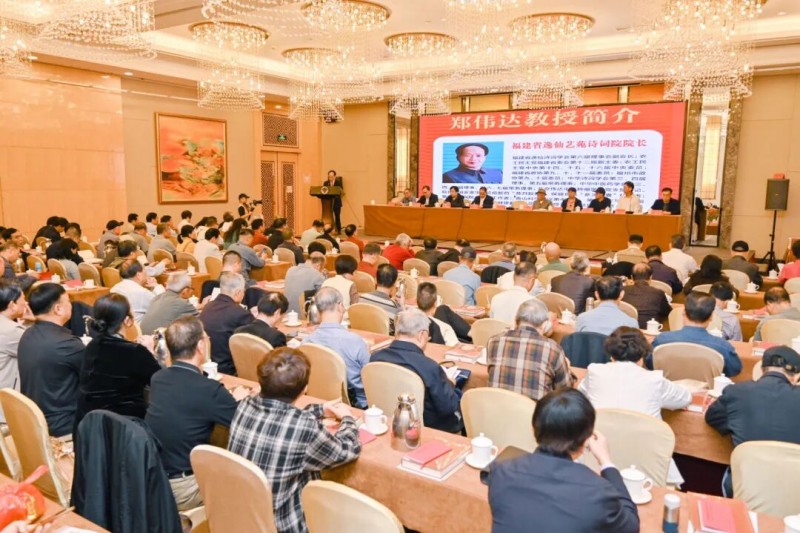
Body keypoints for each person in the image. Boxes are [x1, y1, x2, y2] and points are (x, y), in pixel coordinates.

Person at [228, 347, 360, 533]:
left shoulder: (244, 406)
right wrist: (348, 419)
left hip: (242, 518)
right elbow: (346, 451)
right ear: (305, 389)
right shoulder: (303, 426)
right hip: (283, 525)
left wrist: (320, 409)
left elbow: (280, 418)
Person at [488, 388, 639, 533]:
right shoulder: (598, 492)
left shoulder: (500, 472)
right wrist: (606, 462)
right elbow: (631, 525)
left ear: (533, 429)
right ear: (586, 439)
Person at [146, 316, 247, 511]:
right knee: (246, 481)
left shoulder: (158, 378)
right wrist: (240, 399)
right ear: (201, 345)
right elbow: (244, 422)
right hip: (184, 487)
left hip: (154, 475)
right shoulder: (208, 390)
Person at [705, 345, 800, 497]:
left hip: (746, 486)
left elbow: (712, 418)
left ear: (762, 370)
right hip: (794, 490)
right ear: (796, 376)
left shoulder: (736, 392)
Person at [75, 294, 160, 429]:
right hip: (124, 428)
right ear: (127, 320)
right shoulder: (134, 351)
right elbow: (160, 381)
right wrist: (151, 351)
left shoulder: (92, 345)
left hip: (87, 426)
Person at [372, 309, 463, 433]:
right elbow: (447, 408)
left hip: (385, 421)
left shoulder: (376, 358)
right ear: (422, 335)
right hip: (426, 429)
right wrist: (450, 384)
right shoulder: (429, 367)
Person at [18, 283, 84, 437]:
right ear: (58, 309)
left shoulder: (27, 335)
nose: (71, 306)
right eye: (68, 301)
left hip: (35, 419)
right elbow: (95, 378)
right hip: (64, 425)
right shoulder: (67, 345)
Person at [580, 327, 691, 418]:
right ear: (642, 355)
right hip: (645, 438)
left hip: (600, 435)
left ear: (611, 355)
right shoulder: (655, 379)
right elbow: (685, 398)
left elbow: (582, 392)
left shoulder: (595, 371)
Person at [487, 299, 573, 401]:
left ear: (515, 320)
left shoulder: (493, 341)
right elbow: (565, 390)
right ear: (545, 325)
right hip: (534, 410)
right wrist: (566, 367)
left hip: (496, 408)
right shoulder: (553, 349)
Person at [302, 288, 370, 407]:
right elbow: (370, 377)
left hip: (318, 401)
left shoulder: (306, 342)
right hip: (354, 404)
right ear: (340, 306)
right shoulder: (355, 341)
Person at [647, 291, 742, 377]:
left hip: (667, 389)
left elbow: (650, 363)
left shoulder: (662, 340)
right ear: (711, 317)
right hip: (706, 390)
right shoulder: (722, 346)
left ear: (683, 313)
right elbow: (734, 370)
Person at [199, 272, 254, 375]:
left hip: (206, 365)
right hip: (230, 369)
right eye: (243, 291)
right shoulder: (240, 313)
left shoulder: (207, 307)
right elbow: (255, 340)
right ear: (238, 292)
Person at [0, 281, 28, 399]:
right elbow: (39, 347)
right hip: (6, 399)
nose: (26, 303)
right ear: (12, 305)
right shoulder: (11, 331)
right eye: (23, 299)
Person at [622, 263, 672, 329]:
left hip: (626, 329)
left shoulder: (622, 291)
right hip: (649, 330)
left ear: (631, 277)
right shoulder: (658, 293)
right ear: (651, 277)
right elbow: (667, 312)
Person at [358, 264, 405, 334]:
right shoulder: (395, 307)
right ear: (395, 284)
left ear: (375, 280)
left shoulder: (362, 298)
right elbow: (405, 328)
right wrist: (402, 306)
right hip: (385, 339)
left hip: (362, 336)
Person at [416, 282, 461, 346]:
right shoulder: (445, 328)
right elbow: (455, 349)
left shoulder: (405, 322)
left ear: (417, 301)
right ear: (435, 303)